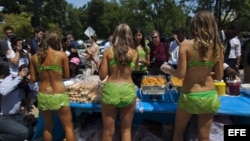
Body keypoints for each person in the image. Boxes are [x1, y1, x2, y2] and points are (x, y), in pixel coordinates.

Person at [161, 10, 223, 141]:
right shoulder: (217, 47)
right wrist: (205, 71)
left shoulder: (186, 45)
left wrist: (168, 69)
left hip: (190, 95)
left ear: (195, 25)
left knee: (178, 134)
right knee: (204, 137)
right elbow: (219, 76)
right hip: (209, 95)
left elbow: (180, 74)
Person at [29, 31, 75, 141]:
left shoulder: (34, 58)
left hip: (44, 93)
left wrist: (43, 75)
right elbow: (68, 76)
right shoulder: (61, 55)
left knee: (48, 127)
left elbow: (32, 79)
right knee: (68, 127)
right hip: (58, 92)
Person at [99, 23, 138, 141]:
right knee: (126, 130)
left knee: (108, 132)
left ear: (115, 35)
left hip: (111, 90)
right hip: (128, 91)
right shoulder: (134, 53)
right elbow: (134, 69)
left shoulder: (108, 52)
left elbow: (102, 76)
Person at [0, 64, 29, 141]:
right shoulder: (8, 79)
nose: (25, 72)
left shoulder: (22, 83)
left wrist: (32, 82)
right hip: (4, 118)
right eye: (23, 70)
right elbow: (3, 91)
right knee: (24, 133)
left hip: (18, 116)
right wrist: (19, 78)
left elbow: (34, 96)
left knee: (34, 129)